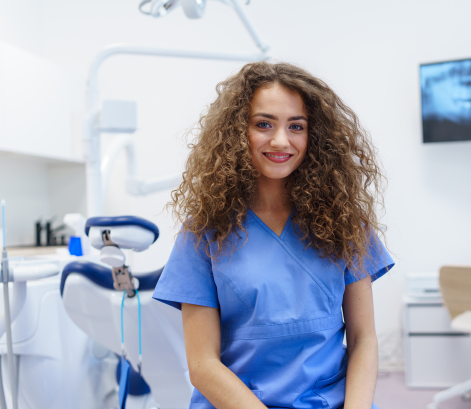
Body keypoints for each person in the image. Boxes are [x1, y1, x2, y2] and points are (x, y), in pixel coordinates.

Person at [153, 61, 394, 409]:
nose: (281, 140)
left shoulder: (346, 222)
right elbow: (203, 365)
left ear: (315, 136)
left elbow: (363, 340)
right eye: (263, 124)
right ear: (237, 132)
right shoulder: (204, 232)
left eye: (296, 126)